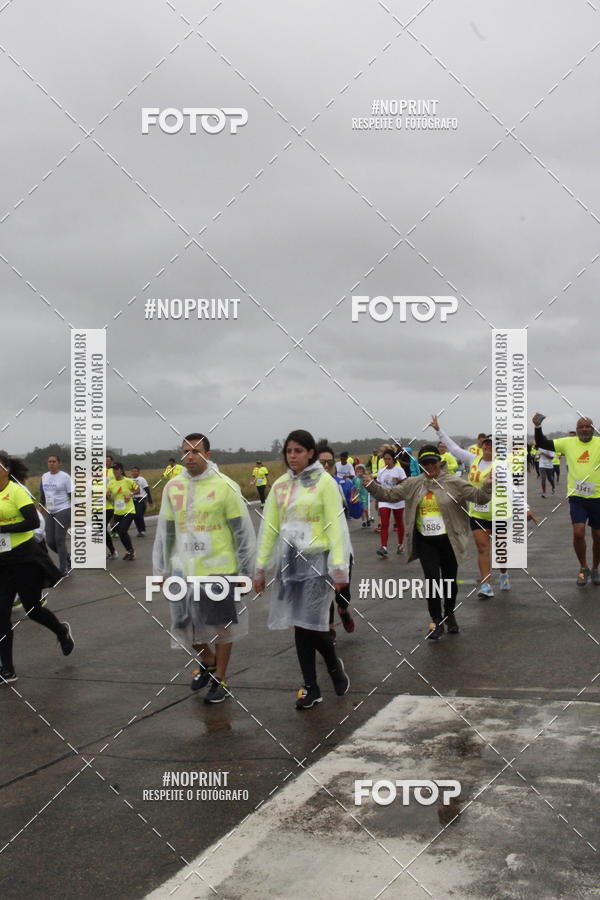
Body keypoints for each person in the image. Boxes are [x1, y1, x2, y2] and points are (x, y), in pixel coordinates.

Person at [153, 433, 255, 703]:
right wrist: (161, 568)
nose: (190, 457)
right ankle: (208, 661)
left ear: (208, 455)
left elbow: (241, 532)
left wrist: (246, 571)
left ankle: (220, 678)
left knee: (221, 626)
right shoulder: (173, 487)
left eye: (196, 451)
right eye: (185, 451)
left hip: (219, 568)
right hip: (183, 568)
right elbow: (166, 531)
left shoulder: (225, 486)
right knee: (183, 624)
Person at [254, 430, 351, 710]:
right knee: (301, 624)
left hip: (318, 562)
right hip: (290, 562)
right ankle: (311, 686)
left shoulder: (325, 483)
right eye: (289, 451)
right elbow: (269, 529)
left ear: (310, 453)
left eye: (298, 450)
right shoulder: (280, 486)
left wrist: (339, 567)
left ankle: (332, 666)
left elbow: (337, 527)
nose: (292, 456)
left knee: (313, 624)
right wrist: (260, 568)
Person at [363, 444, 493, 639]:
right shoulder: (413, 483)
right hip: (426, 542)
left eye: (432, 462)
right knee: (432, 581)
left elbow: (479, 497)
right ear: (421, 464)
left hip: (449, 541)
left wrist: (488, 484)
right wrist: (370, 484)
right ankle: (436, 620)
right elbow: (389, 495)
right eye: (425, 463)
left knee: (449, 581)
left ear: (439, 463)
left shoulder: (453, 482)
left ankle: (449, 614)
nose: (429, 466)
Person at [0, 453, 74, 683]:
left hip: (25, 559)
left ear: (6, 469)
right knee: (1, 615)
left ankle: (61, 631)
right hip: (2, 562)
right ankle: (7, 670)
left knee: (32, 609)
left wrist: (4, 528)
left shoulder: (16, 491)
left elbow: (32, 521)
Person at [429, 416, 510, 597]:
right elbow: (453, 448)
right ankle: (486, 585)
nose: (488, 446)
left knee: (501, 551)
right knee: (482, 548)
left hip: (500, 513)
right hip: (478, 513)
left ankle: (504, 573)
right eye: (486, 443)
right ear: (482, 445)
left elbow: (512, 489)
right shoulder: (473, 459)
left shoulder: (503, 465)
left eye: (492, 444)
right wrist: (438, 430)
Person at [533, 414, 600, 585]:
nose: (584, 429)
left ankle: (595, 568)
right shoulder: (568, 443)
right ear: (576, 430)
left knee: (598, 536)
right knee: (578, 533)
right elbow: (542, 443)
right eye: (581, 427)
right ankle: (583, 568)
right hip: (577, 497)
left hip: (598, 498)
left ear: (593, 429)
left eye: (587, 426)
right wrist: (538, 427)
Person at [317, 442, 356, 641]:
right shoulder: (306, 489)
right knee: (324, 593)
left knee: (343, 594)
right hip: (318, 550)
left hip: (341, 548)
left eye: (329, 463)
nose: (326, 466)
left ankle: (343, 609)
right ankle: (329, 628)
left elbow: (354, 513)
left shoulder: (341, 485)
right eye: (321, 462)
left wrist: (355, 500)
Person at [39, 454, 72, 576]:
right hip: (50, 511)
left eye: (54, 461)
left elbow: (72, 495)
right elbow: (43, 496)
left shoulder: (65, 477)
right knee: (50, 541)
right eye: (49, 461)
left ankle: (63, 569)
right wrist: (40, 509)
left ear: (59, 463)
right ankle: (67, 557)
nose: (51, 463)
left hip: (63, 509)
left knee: (59, 539)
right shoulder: (44, 477)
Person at [375, 449, 406, 557]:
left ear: (393, 459)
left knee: (399, 522)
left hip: (397, 499)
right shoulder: (381, 471)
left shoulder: (399, 470)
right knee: (384, 523)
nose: (387, 461)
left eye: (389, 459)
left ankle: (400, 544)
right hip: (384, 499)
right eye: (385, 459)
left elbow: (406, 483)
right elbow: (378, 486)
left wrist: (399, 481)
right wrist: (377, 500)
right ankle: (383, 547)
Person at [106, 463, 139, 561]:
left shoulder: (128, 481)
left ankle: (131, 551)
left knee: (122, 531)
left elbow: (138, 490)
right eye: (113, 470)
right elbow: (109, 496)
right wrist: (107, 495)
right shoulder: (111, 483)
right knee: (121, 533)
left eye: (116, 469)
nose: (114, 471)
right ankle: (129, 551)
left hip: (129, 510)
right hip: (117, 512)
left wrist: (130, 494)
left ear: (121, 470)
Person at [131, 466, 152, 536]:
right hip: (133, 500)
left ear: (139, 472)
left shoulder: (142, 479)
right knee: (135, 515)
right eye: (133, 471)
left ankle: (143, 530)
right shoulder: (130, 480)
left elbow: (147, 490)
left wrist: (150, 501)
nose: (134, 472)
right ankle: (139, 531)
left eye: (136, 471)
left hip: (141, 499)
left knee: (139, 514)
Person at [105, 454, 118, 560]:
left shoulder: (114, 471)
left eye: (108, 461)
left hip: (114, 498)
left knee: (114, 516)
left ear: (112, 461)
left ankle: (115, 530)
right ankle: (113, 530)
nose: (107, 462)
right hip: (103, 501)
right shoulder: (103, 471)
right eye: (105, 461)